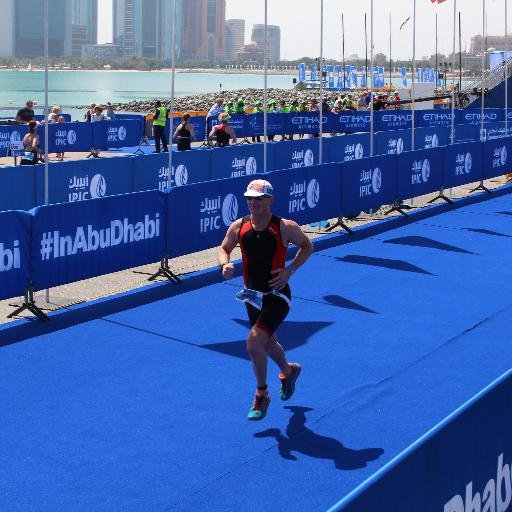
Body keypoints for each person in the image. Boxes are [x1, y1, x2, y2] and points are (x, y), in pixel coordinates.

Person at [218, 179, 314, 420]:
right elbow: (224, 248)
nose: (253, 203)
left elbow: (307, 246)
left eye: (258, 199)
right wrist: (225, 263)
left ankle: (262, 394)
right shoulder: (239, 226)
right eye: (249, 198)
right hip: (252, 296)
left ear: (270, 200)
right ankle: (289, 370)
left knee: (253, 344)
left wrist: (289, 270)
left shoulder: (284, 227)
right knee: (268, 344)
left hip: (277, 294)